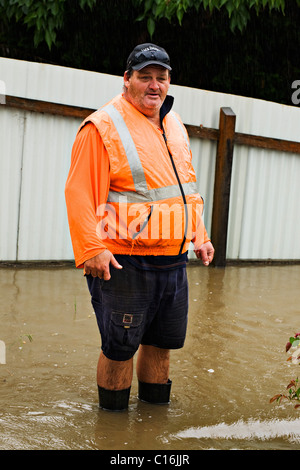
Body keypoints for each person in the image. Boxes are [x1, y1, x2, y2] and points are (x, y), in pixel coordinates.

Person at [65, 43, 214, 411]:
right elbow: (79, 191)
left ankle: (152, 427)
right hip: (124, 262)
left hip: (173, 261)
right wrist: (92, 249)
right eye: (144, 76)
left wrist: (200, 234)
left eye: (161, 78)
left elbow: (185, 188)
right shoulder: (102, 125)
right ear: (126, 80)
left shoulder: (174, 123)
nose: (154, 85)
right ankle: (113, 430)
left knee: (162, 345)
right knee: (119, 350)